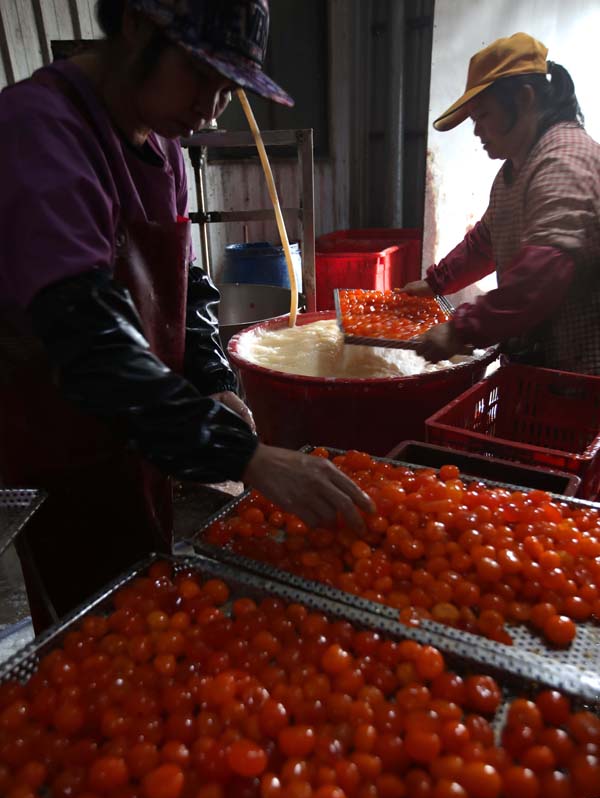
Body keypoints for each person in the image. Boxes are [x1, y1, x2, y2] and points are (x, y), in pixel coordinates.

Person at [0, 0, 373, 631]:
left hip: (146, 435)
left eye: (228, 89)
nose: (212, 107)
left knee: (147, 609)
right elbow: (88, 339)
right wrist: (245, 455)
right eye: (202, 76)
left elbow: (187, 285)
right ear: (137, 25)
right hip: (60, 452)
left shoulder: (164, 147)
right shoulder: (38, 132)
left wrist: (214, 381)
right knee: (90, 636)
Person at [402, 32, 600, 374]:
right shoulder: (514, 170)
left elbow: (543, 273)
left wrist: (461, 328)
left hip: (583, 378)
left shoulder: (564, 159)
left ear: (525, 99)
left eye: (482, 116)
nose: (476, 131)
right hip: (542, 369)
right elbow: (485, 242)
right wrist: (435, 283)